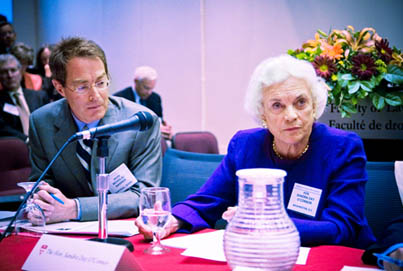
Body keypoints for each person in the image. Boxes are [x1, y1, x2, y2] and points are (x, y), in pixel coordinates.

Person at [135, 54, 376, 249]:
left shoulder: (342, 147)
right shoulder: (246, 146)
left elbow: (342, 228)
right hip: (260, 258)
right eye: (277, 105)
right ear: (263, 114)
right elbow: (208, 200)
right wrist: (173, 220)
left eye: (300, 102)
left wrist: (270, 224)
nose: (291, 115)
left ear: (314, 105)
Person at [29, 37, 162, 223]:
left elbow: (145, 194)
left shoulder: (140, 122)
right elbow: (42, 182)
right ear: (60, 88)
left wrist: (75, 209)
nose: (95, 96)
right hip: (62, 231)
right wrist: (44, 203)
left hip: (123, 229)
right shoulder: (41, 122)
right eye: (82, 87)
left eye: (101, 83)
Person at [114, 66, 173, 140]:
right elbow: (120, 130)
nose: (149, 92)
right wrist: (153, 131)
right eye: (146, 88)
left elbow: (158, 122)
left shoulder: (155, 98)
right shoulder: (120, 99)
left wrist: (165, 131)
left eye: (152, 88)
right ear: (136, 81)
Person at [0, 54, 48, 142]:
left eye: (13, 70)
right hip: (16, 148)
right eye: (4, 72)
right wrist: (27, 140)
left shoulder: (39, 96)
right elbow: (3, 128)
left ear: (20, 72)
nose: (10, 75)